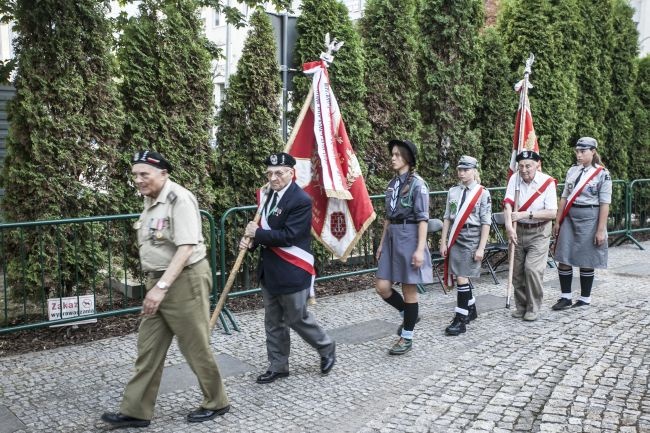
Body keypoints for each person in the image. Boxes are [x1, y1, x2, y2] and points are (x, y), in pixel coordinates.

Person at [101, 151, 229, 429]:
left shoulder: (178, 198)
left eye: (144, 174)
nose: (138, 180)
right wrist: (155, 286)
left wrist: (159, 288)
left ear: (163, 173)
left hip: (185, 280)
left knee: (195, 346)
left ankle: (216, 401)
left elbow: (185, 248)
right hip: (159, 282)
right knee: (148, 347)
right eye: (135, 174)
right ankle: (135, 411)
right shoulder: (150, 200)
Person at [239, 152, 336, 384]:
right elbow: (262, 230)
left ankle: (326, 346)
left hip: (292, 269)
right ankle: (278, 365)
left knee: (296, 318)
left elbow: (289, 236)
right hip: (270, 270)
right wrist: (249, 242)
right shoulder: (266, 197)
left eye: (279, 173)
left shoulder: (300, 200)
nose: (273, 178)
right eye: (270, 173)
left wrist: (257, 234)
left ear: (291, 173)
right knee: (273, 322)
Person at [375, 139, 433, 355]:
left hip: (410, 237)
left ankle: (406, 337)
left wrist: (419, 249)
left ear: (407, 159)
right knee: (382, 286)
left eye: (397, 155)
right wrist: (381, 243)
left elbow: (423, 219)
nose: (393, 157)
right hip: (392, 237)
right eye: (392, 154)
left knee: (409, 289)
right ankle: (409, 314)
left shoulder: (418, 184)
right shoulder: (392, 184)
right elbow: (388, 217)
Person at [551, 137, 612, 310]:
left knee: (586, 258)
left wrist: (601, 230)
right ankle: (565, 297)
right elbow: (564, 197)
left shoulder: (602, 174)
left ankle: (585, 297)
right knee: (563, 256)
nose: (579, 155)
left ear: (593, 152)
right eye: (577, 151)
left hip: (590, 217)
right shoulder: (572, 171)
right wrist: (558, 221)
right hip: (569, 218)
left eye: (582, 151)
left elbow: (604, 204)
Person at [503, 150, 558, 321]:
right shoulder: (515, 179)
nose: (524, 170)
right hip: (518, 230)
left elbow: (552, 213)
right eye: (521, 166)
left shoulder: (547, 182)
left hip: (539, 231)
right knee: (517, 271)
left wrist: (526, 214)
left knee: (532, 269)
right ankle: (521, 306)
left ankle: (533, 307)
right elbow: (508, 204)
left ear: (537, 165)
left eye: (528, 166)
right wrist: (508, 227)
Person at [440, 155, 491, 336]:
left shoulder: (482, 193)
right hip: (456, 235)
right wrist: (443, 240)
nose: (461, 173)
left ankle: (460, 320)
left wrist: (481, 248)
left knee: (462, 276)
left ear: (474, 171)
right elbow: (447, 217)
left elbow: (486, 222)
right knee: (462, 275)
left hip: (472, 235)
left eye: (466, 170)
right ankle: (471, 309)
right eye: (460, 169)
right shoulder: (453, 191)